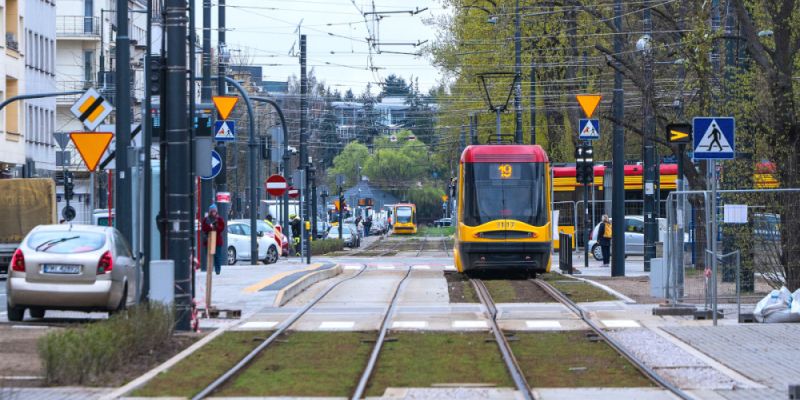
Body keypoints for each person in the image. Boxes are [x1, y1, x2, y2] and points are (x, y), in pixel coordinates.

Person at [201, 204, 226, 274]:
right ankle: (209, 269)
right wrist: (211, 227)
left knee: (217, 256)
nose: (213, 212)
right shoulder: (206, 219)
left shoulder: (219, 219)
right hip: (208, 240)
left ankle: (217, 270)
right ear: (210, 211)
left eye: (214, 211)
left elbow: (222, 228)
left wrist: (215, 227)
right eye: (212, 211)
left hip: (217, 241)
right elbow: (204, 228)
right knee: (208, 255)